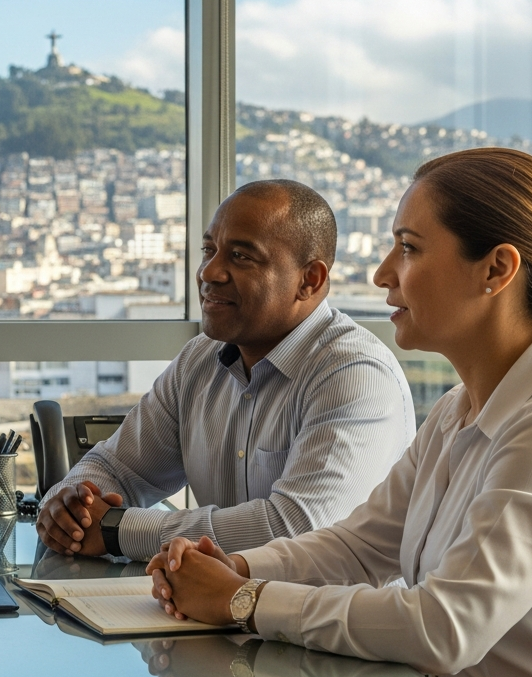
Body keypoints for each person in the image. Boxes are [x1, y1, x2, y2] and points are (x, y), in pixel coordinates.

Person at [150, 147, 532, 677]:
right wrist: (236, 566)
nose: (381, 274)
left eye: (409, 248)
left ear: (497, 269)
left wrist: (243, 599)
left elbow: (443, 627)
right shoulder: (461, 406)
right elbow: (359, 545)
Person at [36, 179, 415, 563]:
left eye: (241, 257)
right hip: (218, 614)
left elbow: (297, 529)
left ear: (309, 280)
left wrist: (119, 530)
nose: (209, 272)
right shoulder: (200, 360)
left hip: (326, 621)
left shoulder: (354, 374)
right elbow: (113, 467)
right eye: (209, 250)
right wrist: (69, 507)